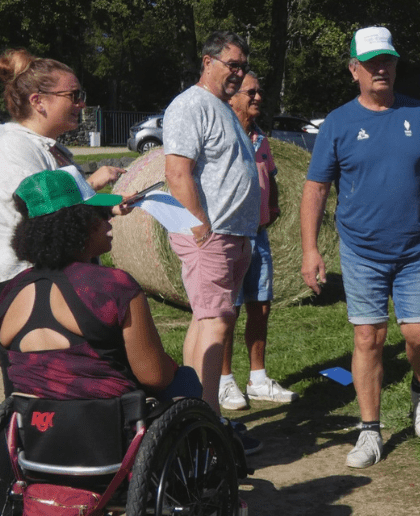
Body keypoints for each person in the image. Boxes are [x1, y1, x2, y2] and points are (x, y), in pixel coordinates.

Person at [300, 26, 420, 469]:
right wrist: (310, 249)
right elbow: (315, 188)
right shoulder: (339, 123)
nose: (381, 68)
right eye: (371, 63)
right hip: (361, 251)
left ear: (396, 65)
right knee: (368, 337)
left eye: (387, 60)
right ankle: (369, 430)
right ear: (354, 70)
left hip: (415, 249)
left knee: (419, 335)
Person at [0, 169, 202, 401]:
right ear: (77, 223)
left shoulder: (11, 291)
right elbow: (156, 377)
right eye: (98, 213)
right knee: (187, 380)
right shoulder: (115, 286)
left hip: (34, 426)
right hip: (107, 423)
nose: (108, 218)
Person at [0, 49, 126, 392]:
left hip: (53, 279)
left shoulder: (52, 150)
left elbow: (71, 202)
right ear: (39, 101)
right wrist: (97, 197)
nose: (81, 103)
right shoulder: (13, 149)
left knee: (76, 389)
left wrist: (112, 203)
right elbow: (46, 213)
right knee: (34, 394)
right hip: (20, 283)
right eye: (74, 95)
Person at [162, 31, 260, 420]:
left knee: (206, 320)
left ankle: (189, 414)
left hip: (233, 234)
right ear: (208, 62)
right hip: (211, 235)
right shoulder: (190, 105)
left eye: (242, 66)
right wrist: (201, 229)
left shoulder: (221, 106)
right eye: (231, 64)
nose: (238, 73)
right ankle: (209, 421)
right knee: (217, 322)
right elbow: (177, 172)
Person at [220, 71, 298, 410]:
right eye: (250, 92)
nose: (258, 98)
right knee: (227, 310)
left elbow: (273, 176)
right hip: (230, 235)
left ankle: (258, 378)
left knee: (260, 307)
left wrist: (275, 204)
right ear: (232, 97)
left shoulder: (260, 139)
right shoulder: (223, 135)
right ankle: (223, 381)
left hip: (259, 236)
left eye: (259, 92)